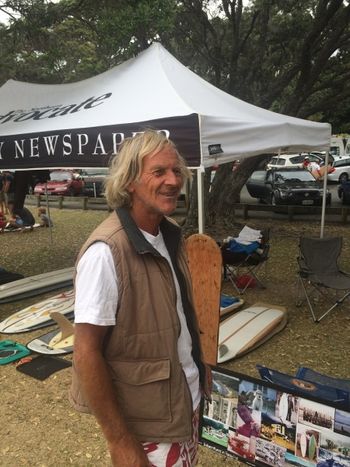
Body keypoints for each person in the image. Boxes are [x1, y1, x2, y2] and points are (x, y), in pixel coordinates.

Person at [69, 130, 211, 467]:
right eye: (159, 172)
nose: (173, 180)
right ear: (130, 181)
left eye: (176, 171)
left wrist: (199, 366)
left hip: (183, 402)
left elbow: (176, 318)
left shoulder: (169, 234)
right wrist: (120, 442)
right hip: (147, 422)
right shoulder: (106, 253)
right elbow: (86, 352)